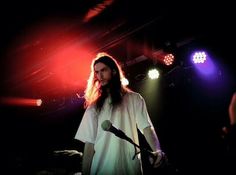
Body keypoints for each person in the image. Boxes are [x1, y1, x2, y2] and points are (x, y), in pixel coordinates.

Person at [74, 52, 165, 175]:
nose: (99, 75)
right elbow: (89, 146)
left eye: (103, 70)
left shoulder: (134, 99)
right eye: (96, 72)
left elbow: (147, 127)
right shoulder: (93, 108)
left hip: (131, 169)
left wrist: (157, 150)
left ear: (114, 71)